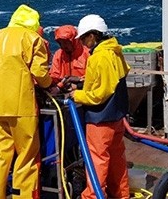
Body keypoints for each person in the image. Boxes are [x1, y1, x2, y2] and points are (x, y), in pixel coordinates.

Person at [0, 4, 52, 198]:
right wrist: (50, 84)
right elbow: (40, 73)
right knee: (26, 156)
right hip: (23, 108)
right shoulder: (33, 39)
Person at [70, 14, 131, 199]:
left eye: (83, 38)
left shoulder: (99, 57)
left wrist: (77, 94)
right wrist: (83, 82)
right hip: (117, 116)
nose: (81, 42)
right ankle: (121, 194)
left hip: (100, 120)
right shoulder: (114, 50)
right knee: (116, 160)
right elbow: (116, 77)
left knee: (97, 159)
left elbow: (99, 95)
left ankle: (93, 196)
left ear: (93, 35)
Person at [49, 25, 90, 90]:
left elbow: (93, 78)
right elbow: (54, 75)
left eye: (65, 43)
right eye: (60, 43)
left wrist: (79, 80)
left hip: (83, 89)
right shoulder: (58, 54)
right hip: (63, 89)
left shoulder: (88, 54)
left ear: (74, 41)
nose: (63, 46)